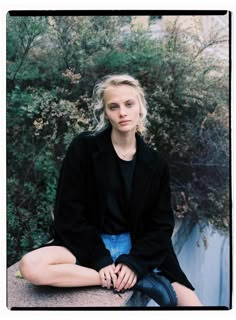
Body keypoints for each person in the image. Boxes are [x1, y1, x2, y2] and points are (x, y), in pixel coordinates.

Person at [19, 74, 202, 307]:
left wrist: (135, 263)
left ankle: (135, 276)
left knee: (195, 307)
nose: (122, 113)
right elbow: (68, 213)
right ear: (105, 112)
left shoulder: (155, 163)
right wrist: (100, 259)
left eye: (129, 104)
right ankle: (119, 280)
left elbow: (162, 225)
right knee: (30, 266)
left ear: (141, 107)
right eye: (113, 106)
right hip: (90, 242)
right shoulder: (84, 148)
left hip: (136, 245)